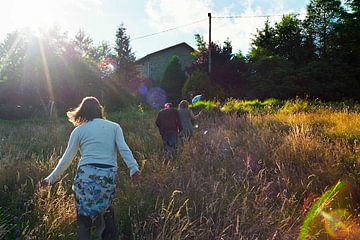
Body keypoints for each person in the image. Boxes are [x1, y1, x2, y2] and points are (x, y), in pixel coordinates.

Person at [39, 96, 140, 240]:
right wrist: (133, 169)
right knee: (106, 214)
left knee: (83, 218)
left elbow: (66, 159)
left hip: (85, 176)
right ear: (100, 110)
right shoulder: (114, 127)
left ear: (83, 111)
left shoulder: (79, 131)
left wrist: (49, 180)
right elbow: (124, 149)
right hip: (107, 175)